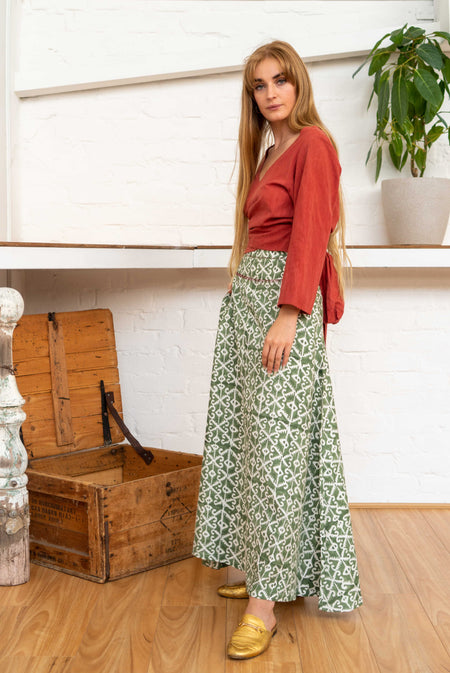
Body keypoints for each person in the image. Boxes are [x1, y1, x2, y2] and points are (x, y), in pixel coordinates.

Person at [192, 39, 362, 660]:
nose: (270, 93)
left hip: (284, 309)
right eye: (259, 85)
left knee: (279, 454)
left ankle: (265, 606)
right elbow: (259, 232)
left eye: (280, 80)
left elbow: (311, 232)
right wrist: (242, 287)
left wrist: (289, 313)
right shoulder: (267, 152)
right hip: (249, 305)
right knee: (250, 445)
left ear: (298, 84)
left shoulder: (314, 144)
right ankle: (266, 568)